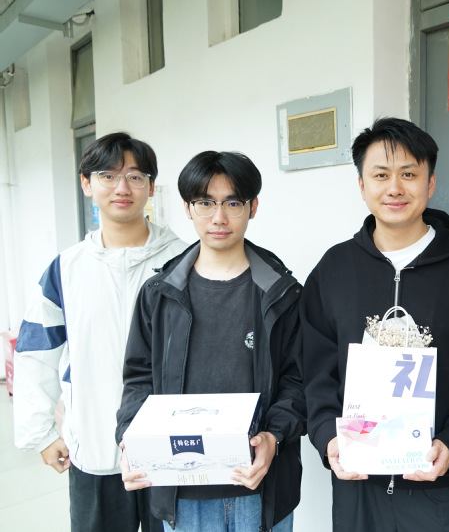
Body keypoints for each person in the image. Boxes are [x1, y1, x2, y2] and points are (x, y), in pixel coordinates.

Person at [301, 117, 449, 531]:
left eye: (409, 175)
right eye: (380, 175)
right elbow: (313, 368)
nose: (394, 188)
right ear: (362, 185)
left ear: (430, 184)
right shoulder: (334, 270)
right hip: (358, 487)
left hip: (442, 489)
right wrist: (328, 436)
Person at [115, 151, 304, 532]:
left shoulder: (282, 294)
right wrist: (130, 438)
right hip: (183, 491)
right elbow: (138, 379)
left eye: (232, 203)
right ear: (188, 208)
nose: (219, 218)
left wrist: (274, 436)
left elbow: (298, 380)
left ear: (253, 207)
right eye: (205, 203)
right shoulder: (158, 294)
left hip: (259, 487)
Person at [13, 132, 187, 532]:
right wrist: (41, 434)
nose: (122, 188)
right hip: (94, 447)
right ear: (86, 184)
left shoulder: (183, 261)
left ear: (151, 187)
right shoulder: (66, 268)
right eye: (107, 176)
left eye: (135, 177)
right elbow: (35, 352)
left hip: (171, 451)